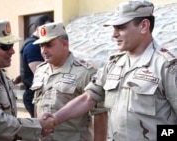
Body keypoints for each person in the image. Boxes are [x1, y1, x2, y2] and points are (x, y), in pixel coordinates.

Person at [42, 1, 177, 141]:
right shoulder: (114, 64)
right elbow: (88, 98)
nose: (114, 34)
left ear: (144, 26)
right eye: (114, 28)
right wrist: (55, 119)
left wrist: (159, 136)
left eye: (121, 28)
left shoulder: (167, 66)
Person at [31, 21, 107, 141]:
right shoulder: (40, 71)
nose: (44, 51)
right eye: (41, 46)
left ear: (65, 44)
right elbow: (36, 106)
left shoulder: (85, 72)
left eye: (49, 45)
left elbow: (100, 114)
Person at [19, 15, 54, 118]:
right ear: (38, 28)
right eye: (46, 28)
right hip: (35, 96)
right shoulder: (32, 46)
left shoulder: (34, 44)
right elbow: (42, 74)